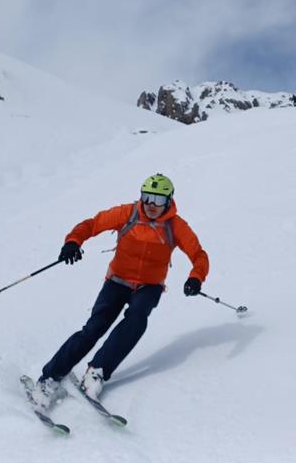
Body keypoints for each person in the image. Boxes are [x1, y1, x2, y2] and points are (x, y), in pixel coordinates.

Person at [32, 173, 209, 408]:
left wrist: (195, 278)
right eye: (147, 197)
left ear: (169, 201)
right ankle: (49, 379)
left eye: (157, 199)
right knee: (94, 329)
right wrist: (73, 242)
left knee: (137, 320)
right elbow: (92, 224)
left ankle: (97, 372)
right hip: (117, 281)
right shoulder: (128, 213)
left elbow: (199, 255)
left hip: (149, 287)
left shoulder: (176, 226)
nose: (151, 205)